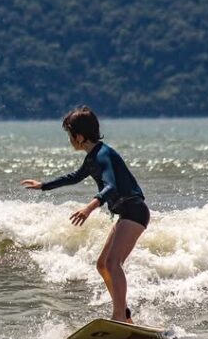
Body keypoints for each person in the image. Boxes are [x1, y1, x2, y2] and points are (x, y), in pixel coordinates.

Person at [21, 106, 150, 324]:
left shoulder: (103, 155)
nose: (69, 140)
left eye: (70, 135)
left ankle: (119, 315)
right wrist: (43, 186)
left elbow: (110, 186)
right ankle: (124, 314)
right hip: (125, 213)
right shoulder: (93, 157)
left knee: (112, 263)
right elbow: (74, 177)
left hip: (134, 211)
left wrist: (89, 208)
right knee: (103, 265)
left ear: (79, 137)